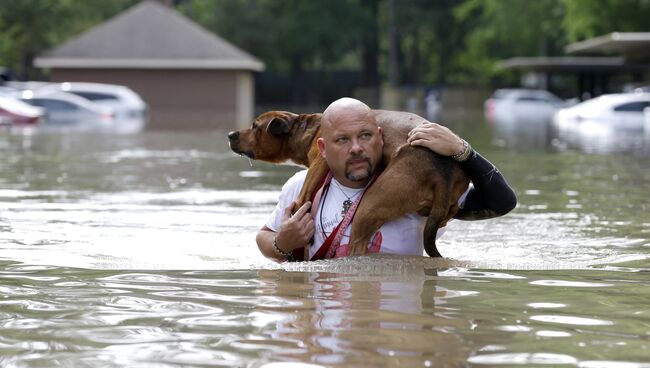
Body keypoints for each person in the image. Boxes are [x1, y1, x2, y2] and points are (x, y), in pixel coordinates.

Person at [256, 97, 517, 262]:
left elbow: (501, 202)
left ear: (381, 137)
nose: (356, 147)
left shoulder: (412, 189)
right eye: (343, 140)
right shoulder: (300, 186)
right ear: (322, 148)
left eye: (366, 136)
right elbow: (263, 238)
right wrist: (282, 244)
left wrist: (464, 151)